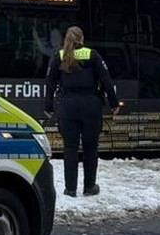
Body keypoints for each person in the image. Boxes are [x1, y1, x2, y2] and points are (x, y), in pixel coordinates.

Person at [44, 26, 120, 197]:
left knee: (70, 148)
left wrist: (48, 106)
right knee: (90, 148)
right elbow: (106, 81)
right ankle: (89, 186)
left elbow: (50, 83)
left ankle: (70, 189)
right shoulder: (93, 55)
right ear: (82, 38)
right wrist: (114, 104)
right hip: (91, 107)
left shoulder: (60, 56)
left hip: (67, 107)